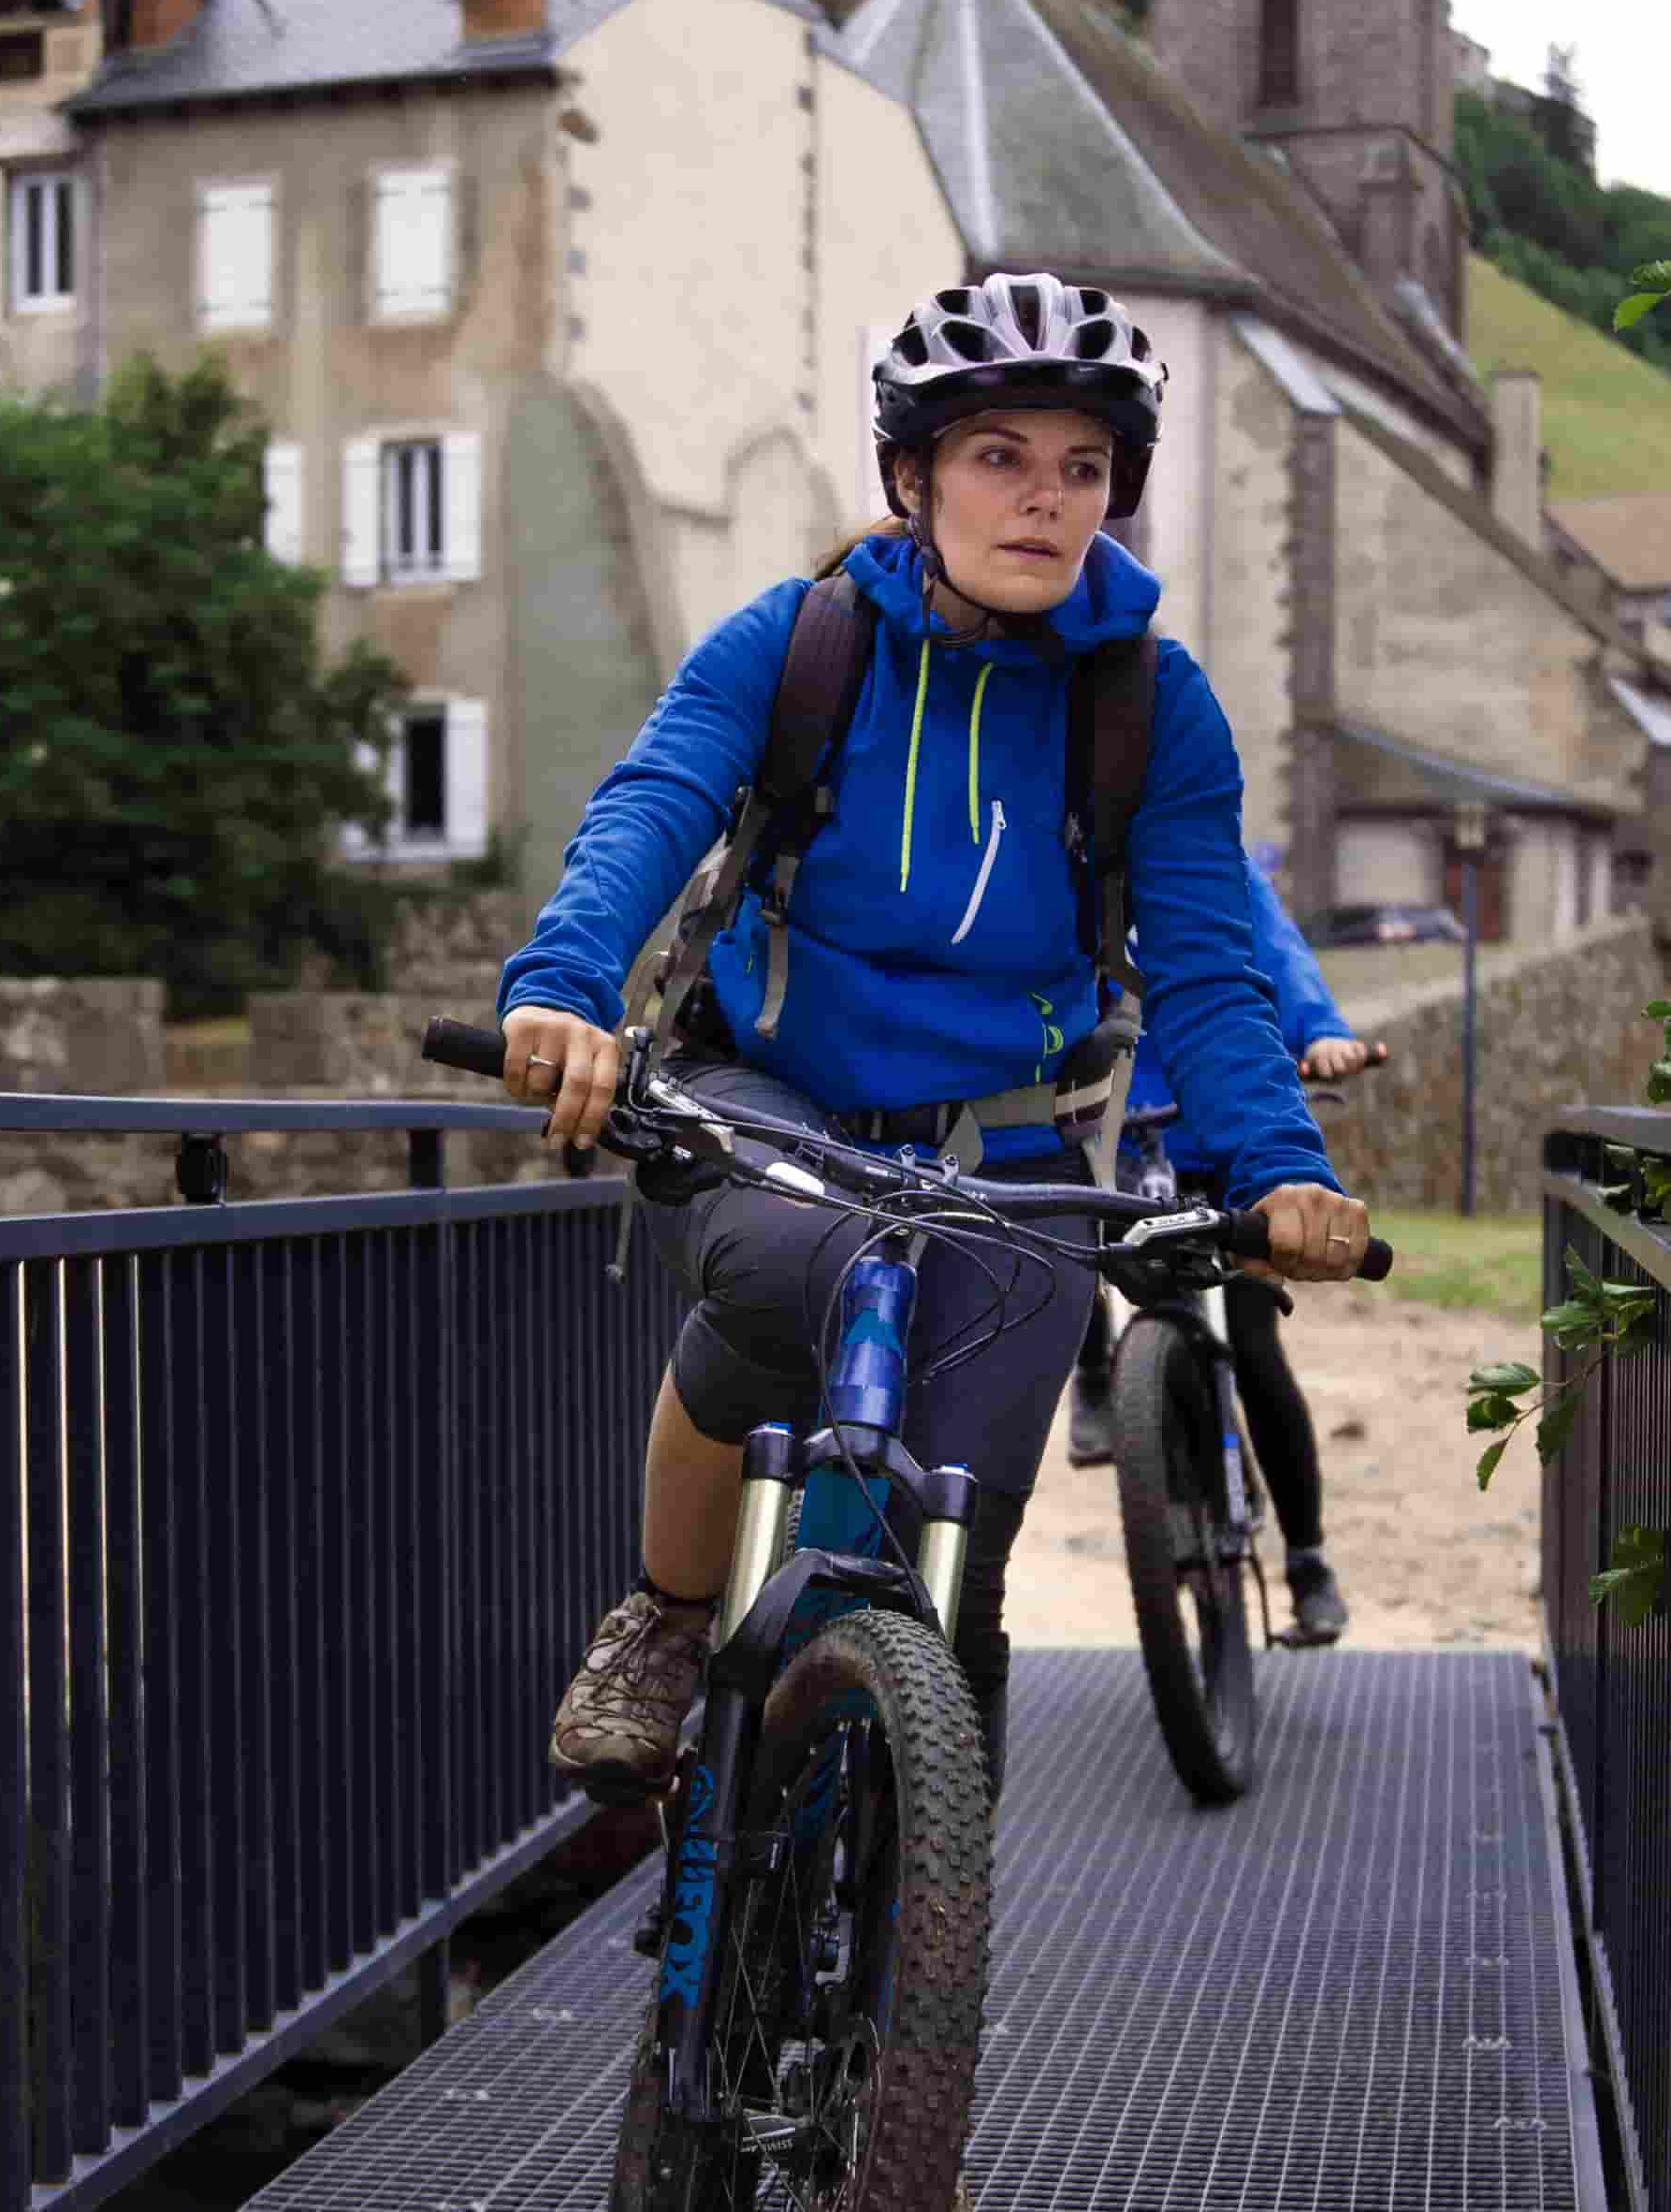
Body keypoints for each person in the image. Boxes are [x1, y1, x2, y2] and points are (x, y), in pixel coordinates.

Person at [488, 272, 1375, 1811]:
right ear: (913, 477)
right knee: (782, 1271)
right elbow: (654, 804)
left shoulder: (1152, 707)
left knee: (971, 1502)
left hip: (1010, 1132)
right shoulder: (800, 642)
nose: (1044, 500)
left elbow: (1212, 972)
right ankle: (673, 1613)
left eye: (1082, 467)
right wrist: (562, 985)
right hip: (778, 1094)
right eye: (999, 456)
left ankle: (912, 1861)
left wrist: (1280, 1165)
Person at [1063, 855, 1388, 1644]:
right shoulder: (1069, 852)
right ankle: (1098, 1374)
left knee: (1251, 1341)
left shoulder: (1209, 862)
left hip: (1218, 1145)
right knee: (1058, 1226)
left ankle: (1308, 1561)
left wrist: (1323, 1032)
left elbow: (1274, 953)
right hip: (1123, 1137)